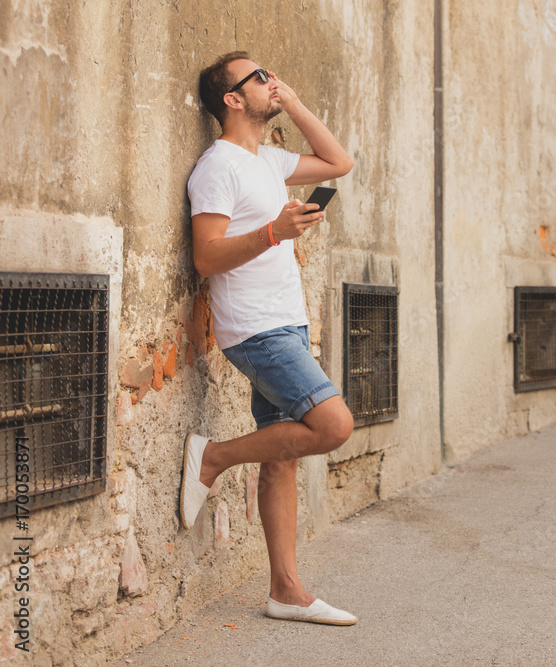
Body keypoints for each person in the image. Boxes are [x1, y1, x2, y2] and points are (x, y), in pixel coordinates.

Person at [182, 52, 357, 626]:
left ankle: (285, 591)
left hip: (288, 320)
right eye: (258, 78)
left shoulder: (270, 162)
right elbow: (207, 257)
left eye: (269, 73)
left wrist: (295, 101)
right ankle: (213, 456)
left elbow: (339, 161)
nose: (269, 80)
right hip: (255, 329)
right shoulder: (217, 167)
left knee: (281, 454)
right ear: (232, 100)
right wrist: (273, 232)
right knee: (332, 425)